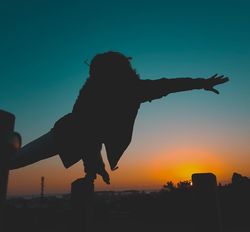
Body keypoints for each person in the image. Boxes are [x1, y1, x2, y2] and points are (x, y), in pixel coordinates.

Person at [9, 51, 229, 185]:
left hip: (79, 136)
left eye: (94, 69)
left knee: (17, 160)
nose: (91, 73)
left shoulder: (130, 89)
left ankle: (92, 173)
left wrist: (201, 83)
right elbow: (86, 132)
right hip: (65, 135)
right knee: (15, 160)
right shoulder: (96, 91)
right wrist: (94, 166)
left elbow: (169, 84)